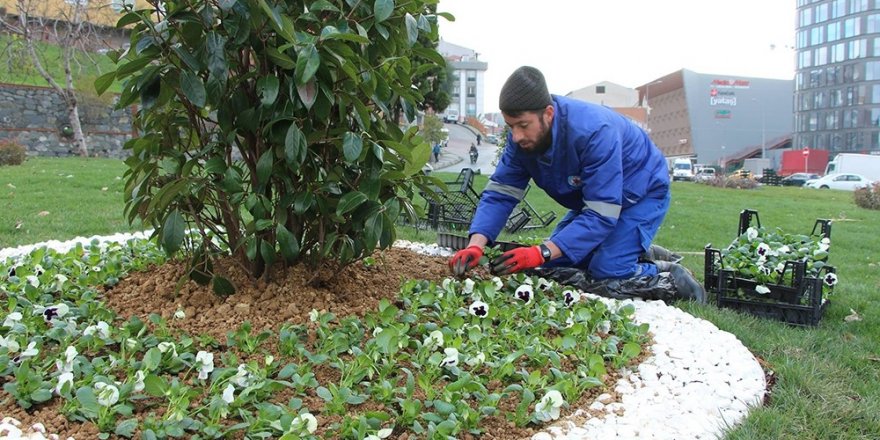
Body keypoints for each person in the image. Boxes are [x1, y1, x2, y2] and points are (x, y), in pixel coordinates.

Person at [448, 66, 704, 302]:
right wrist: (476, 245)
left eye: (523, 125)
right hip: (596, 201)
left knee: (607, 271)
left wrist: (540, 252)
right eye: (510, 126)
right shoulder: (520, 141)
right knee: (557, 263)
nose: (516, 136)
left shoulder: (594, 132)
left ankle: (666, 272)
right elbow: (501, 193)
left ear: (548, 113)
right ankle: (636, 248)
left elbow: (601, 215)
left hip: (642, 193)